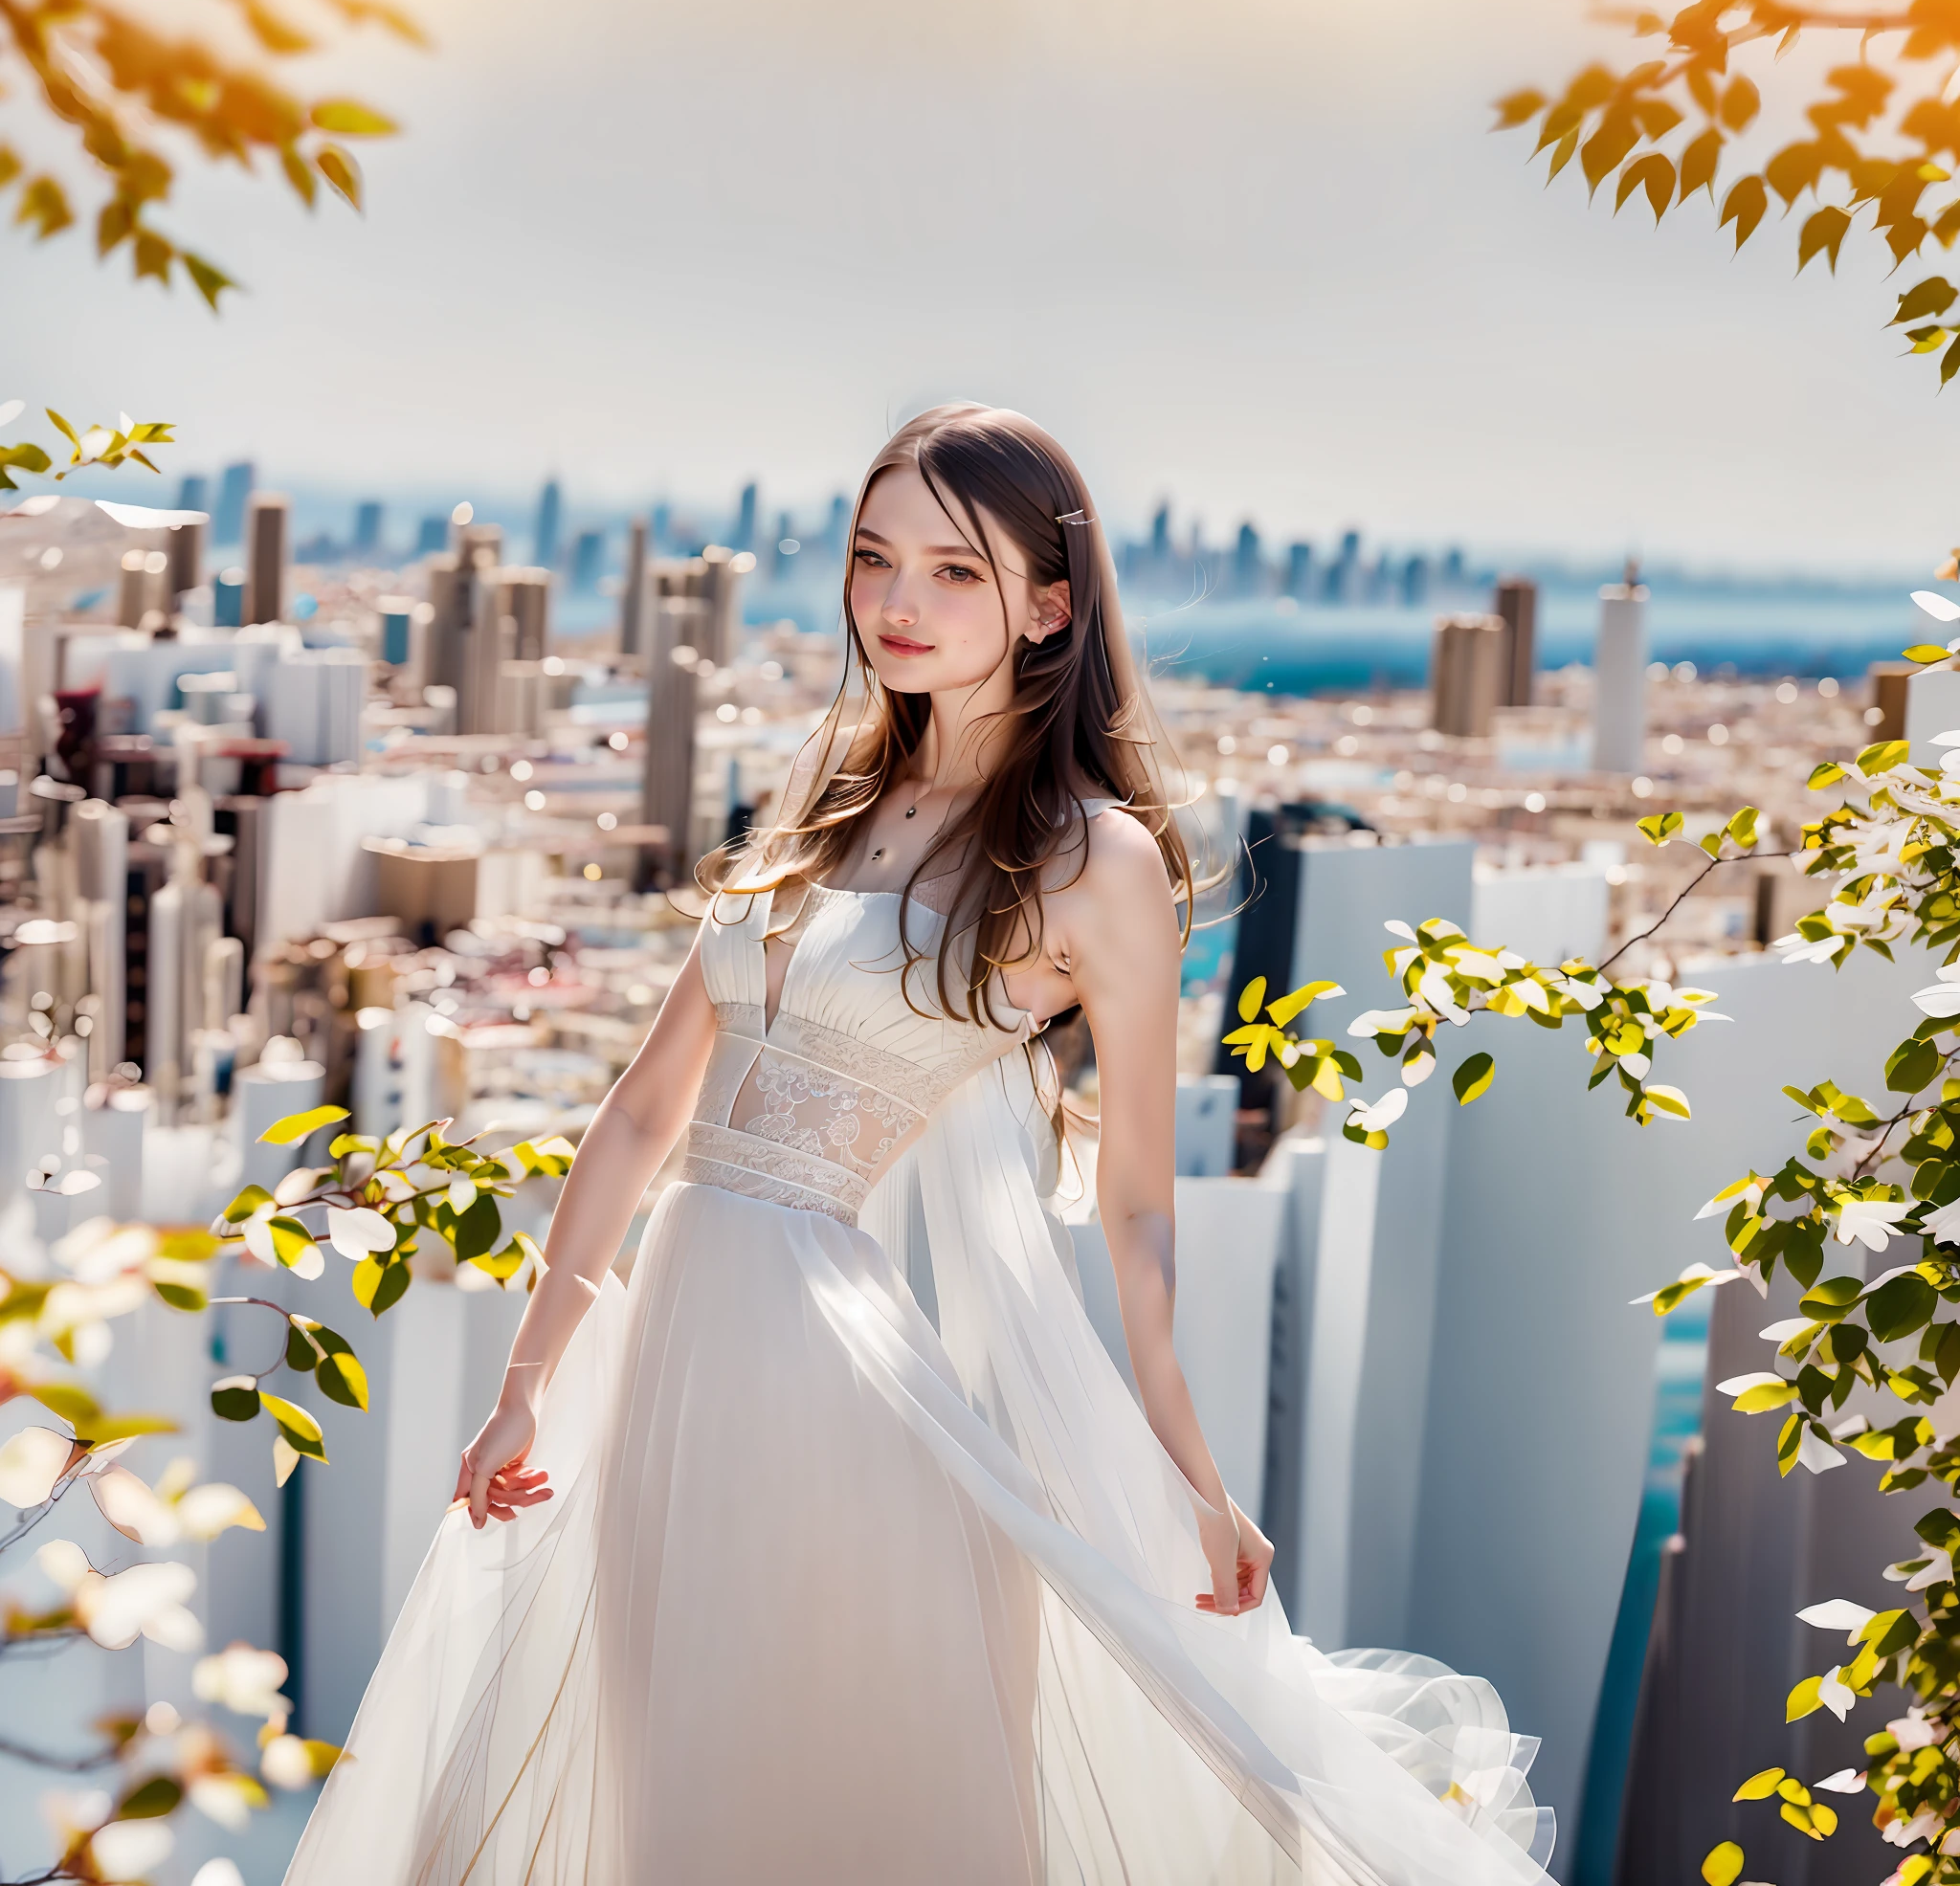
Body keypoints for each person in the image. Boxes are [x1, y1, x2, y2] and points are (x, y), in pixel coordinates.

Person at [284, 405, 1553, 1883]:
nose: (897, 601)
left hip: (834, 1385)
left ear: (1051, 604)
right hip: (662, 1384)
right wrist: (526, 1385)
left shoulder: (1098, 858)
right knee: (663, 1805)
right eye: (875, 557)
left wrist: (1192, 1482)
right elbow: (641, 1115)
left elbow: (1138, 1214)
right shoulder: (827, 792)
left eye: (957, 571)